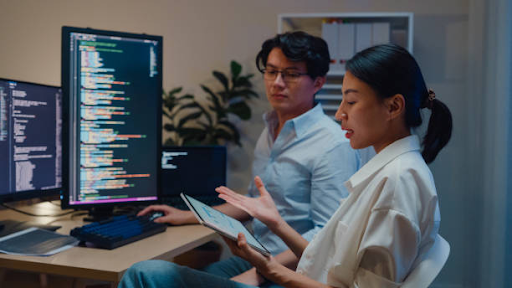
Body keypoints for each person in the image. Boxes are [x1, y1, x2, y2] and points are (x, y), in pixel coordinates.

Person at [120, 43, 452, 287]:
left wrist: (268, 269)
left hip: (290, 278)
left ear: (393, 106)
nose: (340, 113)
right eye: (272, 72)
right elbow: (329, 257)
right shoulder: (390, 171)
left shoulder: (398, 182)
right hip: (299, 273)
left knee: (145, 273)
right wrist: (276, 224)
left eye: (351, 101)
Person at [120, 31, 361, 287]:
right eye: (271, 71)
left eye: (291, 74)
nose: (277, 82)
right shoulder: (270, 130)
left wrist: (263, 272)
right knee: (178, 272)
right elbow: (253, 205)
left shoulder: (333, 144)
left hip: (293, 272)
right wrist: (188, 215)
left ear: (318, 82)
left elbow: (326, 236)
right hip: (257, 256)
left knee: (145, 274)